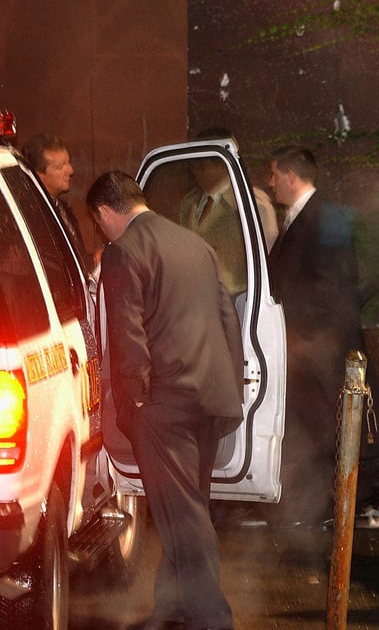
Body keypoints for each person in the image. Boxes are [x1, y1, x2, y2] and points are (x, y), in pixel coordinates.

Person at [88, 170, 242, 630]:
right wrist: (230, 385)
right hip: (210, 398)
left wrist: (134, 404)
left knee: (185, 518)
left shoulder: (123, 252)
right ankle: (172, 609)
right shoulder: (197, 245)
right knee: (186, 507)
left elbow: (127, 332)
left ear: (104, 213)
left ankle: (212, 618)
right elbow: (227, 318)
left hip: (164, 406)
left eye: (98, 223)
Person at [266, 145, 362, 527]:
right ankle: (303, 509)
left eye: (274, 174)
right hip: (300, 346)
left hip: (318, 347)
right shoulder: (297, 216)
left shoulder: (326, 216)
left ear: (292, 175)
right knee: (304, 424)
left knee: (321, 427)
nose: (270, 183)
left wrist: (304, 338)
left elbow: (334, 286)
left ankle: (321, 513)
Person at [180, 130, 279, 296]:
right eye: (194, 165)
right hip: (195, 298)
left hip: (235, 301)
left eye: (202, 165)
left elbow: (266, 262)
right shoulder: (190, 203)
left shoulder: (251, 205)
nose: (195, 170)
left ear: (221, 165)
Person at [22, 133, 90, 270]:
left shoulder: (63, 208)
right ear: (38, 174)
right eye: (60, 167)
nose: (70, 171)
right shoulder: (31, 217)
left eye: (68, 162)